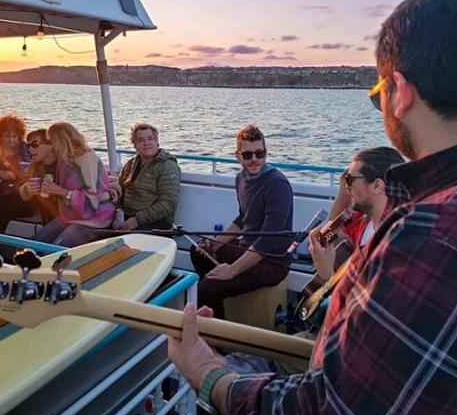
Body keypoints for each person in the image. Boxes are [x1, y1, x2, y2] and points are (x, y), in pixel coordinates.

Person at [168, 0, 457, 415]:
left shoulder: (444, 234)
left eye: (379, 95)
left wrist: (210, 373)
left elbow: (336, 411)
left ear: (401, 91)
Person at [190, 124, 294, 319]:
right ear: (238, 156)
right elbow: (243, 217)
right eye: (248, 155)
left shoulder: (276, 184)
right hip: (248, 248)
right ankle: (220, 306)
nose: (254, 159)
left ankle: (217, 346)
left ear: (266, 153)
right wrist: (215, 242)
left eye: (259, 153)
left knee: (206, 289)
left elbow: (267, 241)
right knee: (199, 251)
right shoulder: (240, 179)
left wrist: (232, 270)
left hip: (272, 262)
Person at [311, 146, 404, 282]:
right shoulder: (361, 222)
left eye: (350, 180)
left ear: (377, 186)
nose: (347, 186)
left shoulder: (397, 241)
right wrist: (344, 192)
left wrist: (327, 274)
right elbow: (327, 234)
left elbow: (366, 299)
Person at [31, 122, 114, 247]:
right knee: (33, 244)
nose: (52, 146)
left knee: (57, 247)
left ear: (61, 141)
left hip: (93, 220)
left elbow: (93, 200)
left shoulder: (87, 159)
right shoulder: (64, 160)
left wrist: (62, 192)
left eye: (52, 141)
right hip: (69, 216)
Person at [113, 123, 181, 231]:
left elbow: (169, 203)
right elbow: (120, 193)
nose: (146, 143)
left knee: (125, 239)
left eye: (150, 139)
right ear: (135, 145)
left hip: (157, 222)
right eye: (141, 140)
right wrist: (117, 215)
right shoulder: (130, 164)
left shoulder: (167, 166)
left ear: (156, 142)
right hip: (129, 216)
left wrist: (138, 219)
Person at [19, 128, 59, 223]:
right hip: (48, 218)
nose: (30, 149)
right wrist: (26, 189)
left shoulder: (64, 165)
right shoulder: (35, 166)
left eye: (35, 144)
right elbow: (25, 196)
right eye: (28, 146)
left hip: (67, 218)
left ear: (51, 145)